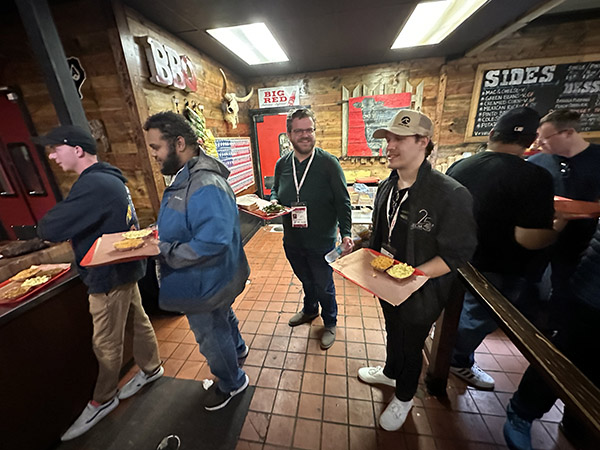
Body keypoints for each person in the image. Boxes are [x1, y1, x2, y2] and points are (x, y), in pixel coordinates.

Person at [34, 125, 162, 441]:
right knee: (139, 322)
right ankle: (151, 367)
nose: (51, 155)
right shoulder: (111, 178)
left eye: (55, 149)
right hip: (125, 269)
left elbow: (50, 227)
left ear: (77, 149)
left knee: (105, 341)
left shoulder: (93, 186)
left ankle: (103, 399)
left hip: (107, 274)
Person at [357, 110, 477, 431]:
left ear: (423, 141)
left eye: (399, 139)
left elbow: (458, 253)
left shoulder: (450, 194)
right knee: (393, 330)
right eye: (388, 139)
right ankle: (390, 371)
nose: (390, 146)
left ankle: (405, 396)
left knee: (412, 344)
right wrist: (359, 247)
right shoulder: (386, 187)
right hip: (389, 282)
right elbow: (380, 233)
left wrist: (414, 276)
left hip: (422, 291)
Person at [446, 107, 559, 390]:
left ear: (492, 134)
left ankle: (444, 347)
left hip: (457, 256)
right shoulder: (536, 177)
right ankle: (457, 360)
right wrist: (559, 226)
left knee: (456, 310)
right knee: (477, 317)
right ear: (531, 142)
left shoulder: (460, 167)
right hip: (501, 265)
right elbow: (528, 238)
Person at [143, 111, 250, 411]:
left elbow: (213, 240)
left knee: (210, 335)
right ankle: (238, 350)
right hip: (209, 277)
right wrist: (162, 233)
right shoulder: (185, 176)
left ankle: (232, 382)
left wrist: (165, 250)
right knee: (223, 317)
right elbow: (194, 221)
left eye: (156, 147)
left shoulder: (204, 182)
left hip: (205, 280)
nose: (153, 154)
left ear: (179, 143)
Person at [503, 221, 600, 450]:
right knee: (563, 355)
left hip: (586, 284)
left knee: (594, 369)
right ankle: (522, 411)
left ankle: (578, 421)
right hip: (591, 290)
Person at [270, 108, 353, 349]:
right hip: (293, 239)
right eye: (299, 131)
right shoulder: (282, 163)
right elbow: (276, 189)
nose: (305, 135)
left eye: (309, 130)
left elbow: (343, 201)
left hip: (322, 240)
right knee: (306, 280)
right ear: (289, 134)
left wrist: (346, 232)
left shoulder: (328, 163)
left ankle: (330, 322)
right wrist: (275, 200)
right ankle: (309, 310)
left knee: (324, 285)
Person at [527, 109, 600, 336]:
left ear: (568, 133)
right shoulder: (537, 161)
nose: (539, 142)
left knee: (565, 289)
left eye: (545, 137)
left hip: (582, 242)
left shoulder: (597, 159)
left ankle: (555, 332)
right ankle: (526, 329)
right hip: (538, 237)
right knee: (527, 283)